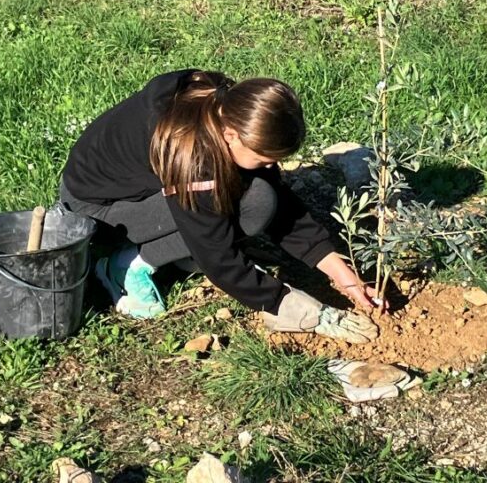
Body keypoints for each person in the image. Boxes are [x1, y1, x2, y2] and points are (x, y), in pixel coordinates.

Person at [59, 69, 379, 343]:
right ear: (231, 135)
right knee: (244, 205)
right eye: (263, 158)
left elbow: (281, 203)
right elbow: (217, 256)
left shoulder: (226, 105)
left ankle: (171, 252)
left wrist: (338, 270)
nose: (270, 166)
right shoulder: (192, 156)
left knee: (260, 197)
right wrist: (292, 306)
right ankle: (126, 265)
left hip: (136, 191)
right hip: (98, 214)